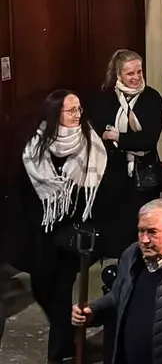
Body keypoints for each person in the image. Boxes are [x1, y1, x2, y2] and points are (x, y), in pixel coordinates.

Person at [23, 90, 107, 364]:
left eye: (79, 109)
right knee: (41, 288)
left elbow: (99, 190)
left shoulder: (91, 144)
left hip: (73, 233)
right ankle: (67, 338)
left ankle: (58, 354)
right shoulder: (36, 146)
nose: (77, 115)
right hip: (43, 232)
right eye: (71, 110)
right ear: (54, 114)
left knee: (61, 293)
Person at [71, 199, 162, 364]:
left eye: (152, 232)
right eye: (141, 231)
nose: (144, 240)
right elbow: (118, 295)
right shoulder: (131, 255)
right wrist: (93, 311)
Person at [92, 49, 162, 260]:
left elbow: (148, 140)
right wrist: (126, 139)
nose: (136, 78)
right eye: (130, 74)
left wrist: (117, 136)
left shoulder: (151, 98)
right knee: (117, 229)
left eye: (139, 72)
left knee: (143, 224)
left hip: (143, 174)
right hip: (114, 173)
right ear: (118, 75)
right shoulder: (105, 99)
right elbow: (100, 135)